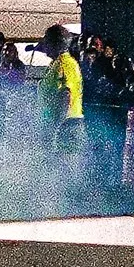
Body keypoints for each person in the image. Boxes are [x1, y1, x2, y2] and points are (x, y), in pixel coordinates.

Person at [36, 24, 84, 165]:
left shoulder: (64, 64)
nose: (44, 43)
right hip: (64, 123)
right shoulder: (60, 63)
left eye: (47, 40)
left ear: (55, 43)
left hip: (66, 124)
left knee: (62, 168)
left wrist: (55, 128)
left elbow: (65, 94)